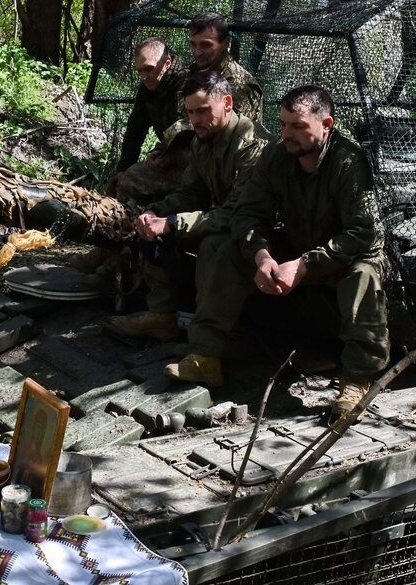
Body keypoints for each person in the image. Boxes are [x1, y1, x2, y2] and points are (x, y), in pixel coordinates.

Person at [165, 85, 389, 422]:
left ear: (325, 124)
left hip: (344, 257)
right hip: (297, 248)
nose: (287, 134)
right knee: (226, 249)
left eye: (297, 126)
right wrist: (263, 257)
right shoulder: (275, 156)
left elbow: (361, 234)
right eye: (283, 124)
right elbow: (247, 214)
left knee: (364, 275)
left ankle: (356, 380)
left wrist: (303, 265)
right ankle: (206, 354)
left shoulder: (349, 161)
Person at [103, 71, 269, 347]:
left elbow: (238, 213)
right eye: (191, 112)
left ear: (228, 103)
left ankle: (211, 341)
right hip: (225, 217)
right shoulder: (203, 139)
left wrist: (173, 222)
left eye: (203, 111)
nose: (196, 120)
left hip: (257, 231)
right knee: (153, 230)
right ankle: (162, 315)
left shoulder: (251, 145)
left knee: (212, 245)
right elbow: (191, 193)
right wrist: (155, 212)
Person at [71, 38, 189, 273]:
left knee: (131, 183)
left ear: (166, 63)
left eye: (149, 68)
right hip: (168, 155)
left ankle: (119, 253)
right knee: (120, 182)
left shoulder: (186, 81)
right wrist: (122, 168)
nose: (144, 75)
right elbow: (135, 130)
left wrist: (164, 152)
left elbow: (189, 127)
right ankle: (110, 248)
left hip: (190, 157)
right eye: (140, 71)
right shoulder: (148, 87)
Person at [187, 12, 263, 122]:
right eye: (193, 44)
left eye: (206, 45)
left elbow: (236, 133)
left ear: (226, 43)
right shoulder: (191, 73)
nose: (197, 52)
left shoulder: (239, 84)